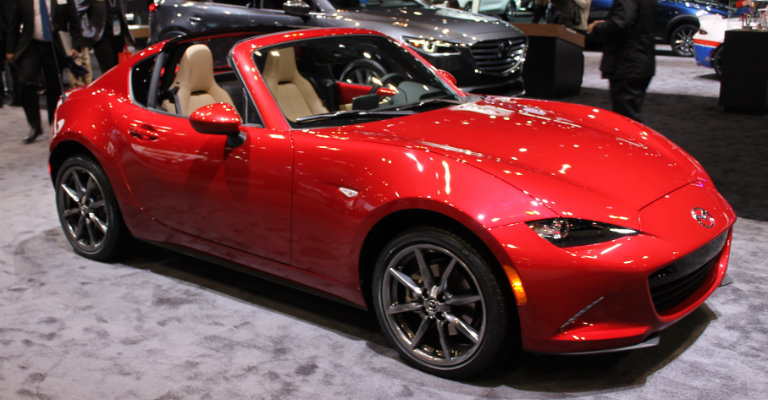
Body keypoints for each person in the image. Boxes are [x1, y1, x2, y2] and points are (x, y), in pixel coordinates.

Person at [6, 0, 82, 144]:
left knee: (54, 86)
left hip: (54, 46)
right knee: (26, 82)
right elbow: (14, 24)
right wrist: (10, 49)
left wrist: (75, 46)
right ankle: (34, 125)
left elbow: (74, 21)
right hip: (31, 45)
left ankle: (53, 123)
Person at [588, 0, 656, 122]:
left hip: (627, 62)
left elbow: (621, 23)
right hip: (641, 60)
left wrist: (597, 27)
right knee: (631, 114)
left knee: (626, 118)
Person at [92, 0, 133, 74]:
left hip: (119, 38)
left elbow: (122, 14)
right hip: (102, 38)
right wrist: (90, 31)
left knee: (118, 68)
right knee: (108, 68)